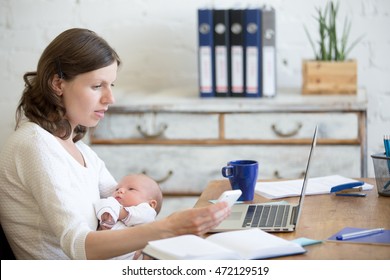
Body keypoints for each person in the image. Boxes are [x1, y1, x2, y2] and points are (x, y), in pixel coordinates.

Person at [0, 28, 230, 260]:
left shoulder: (83, 153)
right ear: (58, 84)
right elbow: (80, 246)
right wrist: (169, 228)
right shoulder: (34, 144)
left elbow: (131, 207)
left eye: (111, 85)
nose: (110, 98)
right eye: (97, 86)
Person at [95, 173, 163, 230]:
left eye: (131, 189)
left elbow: (144, 215)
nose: (120, 190)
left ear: (151, 205)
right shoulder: (111, 203)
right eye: (117, 189)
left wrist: (118, 212)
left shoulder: (148, 213)